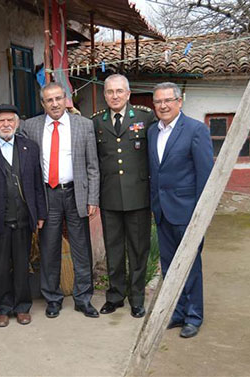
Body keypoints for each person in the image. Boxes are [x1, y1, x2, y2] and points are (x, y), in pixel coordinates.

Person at [0, 83, 100, 319]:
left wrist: (93, 197)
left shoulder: (84, 125)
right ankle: (53, 298)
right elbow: (5, 137)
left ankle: (83, 299)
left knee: (81, 248)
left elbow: (93, 165)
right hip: (47, 193)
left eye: (58, 98)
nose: (54, 103)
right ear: (43, 104)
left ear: (66, 99)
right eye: (49, 100)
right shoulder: (31, 126)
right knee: (48, 247)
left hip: (76, 193)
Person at [0, 104, 46, 327]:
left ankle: (23, 307)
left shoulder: (29, 147)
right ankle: (2, 308)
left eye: (10, 121)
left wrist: (39, 213)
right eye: (1, 121)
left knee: (22, 265)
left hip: (23, 217)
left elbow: (36, 183)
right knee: (0, 267)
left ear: (17, 123)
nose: (6, 125)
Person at [148, 82, 213, 338]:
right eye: (158, 102)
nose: (163, 105)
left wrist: (202, 215)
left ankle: (194, 316)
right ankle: (177, 311)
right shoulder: (153, 132)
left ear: (179, 101)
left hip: (187, 213)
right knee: (169, 266)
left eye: (168, 100)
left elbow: (205, 175)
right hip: (162, 212)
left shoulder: (195, 130)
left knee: (190, 266)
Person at [91, 74, 156, 318]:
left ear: (128, 94)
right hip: (109, 197)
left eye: (119, 91)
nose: (115, 96)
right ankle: (115, 296)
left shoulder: (145, 117)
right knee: (114, 250)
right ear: (105, 94)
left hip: (138, 196)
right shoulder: (96, 121)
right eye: (110, 92)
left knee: (138, 250)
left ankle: (136, 298)